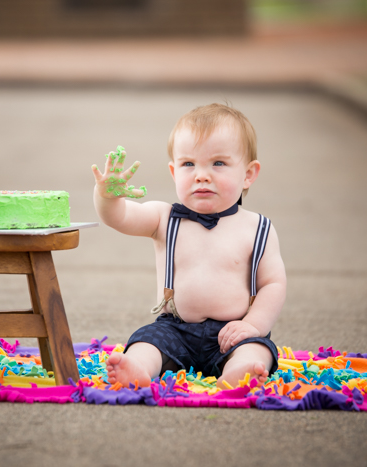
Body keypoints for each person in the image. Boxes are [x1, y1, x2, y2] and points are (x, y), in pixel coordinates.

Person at [91, 103, 286, 389]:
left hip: (232, 331)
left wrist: (253, 325)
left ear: (248, 174)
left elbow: (273, 284)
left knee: (258, 349)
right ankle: (138, 368)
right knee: (147, 341)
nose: (201, 175)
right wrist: (107, 197)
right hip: (175, 329)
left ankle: (241, 371)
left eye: (218, 163)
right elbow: (119, 218)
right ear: (173, 171)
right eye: (188, 164)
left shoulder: (258, 228)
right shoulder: (164, 217)